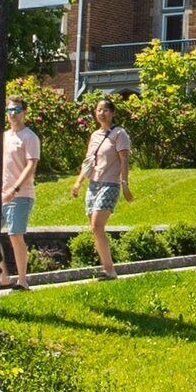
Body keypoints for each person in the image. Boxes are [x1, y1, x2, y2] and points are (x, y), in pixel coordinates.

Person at [79, 97, 133, 276]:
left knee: (97, 225)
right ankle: (106, 268)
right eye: (99, 110)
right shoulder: (94, 135)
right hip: (93, 184)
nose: (101, 113)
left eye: (105, 110)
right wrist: (78, 183)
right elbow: (88, 162)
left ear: (112, 113)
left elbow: (124, 160)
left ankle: (109, 269)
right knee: (95, 228)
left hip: (110, 184)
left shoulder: (119, 134)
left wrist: (124, 184)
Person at [0, 104, 42, 291]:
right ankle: (3, 278)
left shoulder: (30, 137)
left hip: (20, 194)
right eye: (9, 110)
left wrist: (14, 189)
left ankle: (22, 281)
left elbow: (31, 166)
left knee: (15, 234)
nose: (13, 114)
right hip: (0, 195)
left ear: (24, 113)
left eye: (16, 110)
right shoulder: (4, 136)